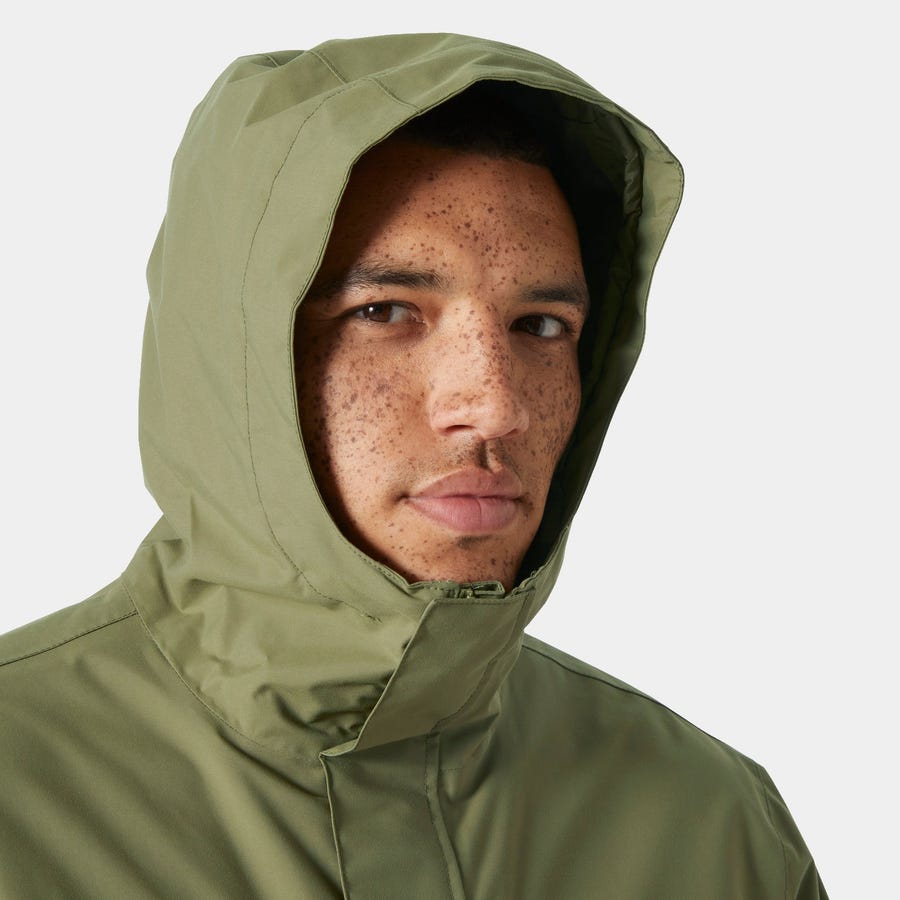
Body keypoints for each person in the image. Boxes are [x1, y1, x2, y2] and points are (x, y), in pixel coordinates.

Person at [0, 33, 827, 899]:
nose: (496, 406)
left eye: (542, 326)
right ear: (231, 356)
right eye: (386, 311)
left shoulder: (711, 828)